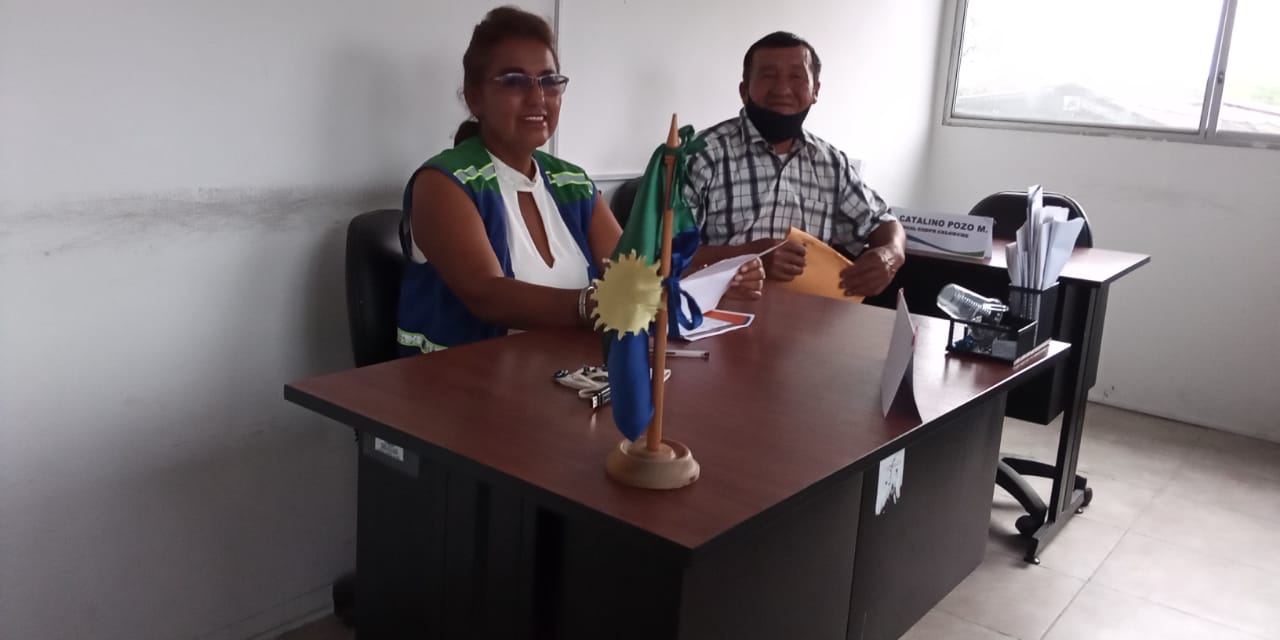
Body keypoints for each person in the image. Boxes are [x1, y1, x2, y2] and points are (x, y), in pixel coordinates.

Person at [397, 6, 764, 355]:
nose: (538, 98)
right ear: (475, 97)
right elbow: (488, 296)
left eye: (550, 82)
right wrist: (591, 305)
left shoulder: (570, 181)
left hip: (563, 373)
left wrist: (710, 282)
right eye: (514, 82)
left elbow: (631, 273)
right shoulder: (443, 183)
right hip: (459, 382)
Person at [685, 31, 906, 298]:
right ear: (744, 91)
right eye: (768, 75)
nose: (782, 89)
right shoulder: (699, 156)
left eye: (796, 76)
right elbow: (662, 252)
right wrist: (748, 256)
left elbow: (883, 222)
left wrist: (891, 253)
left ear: (815, 91)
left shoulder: (831, 164)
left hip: (807, 315)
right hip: (716, 312)